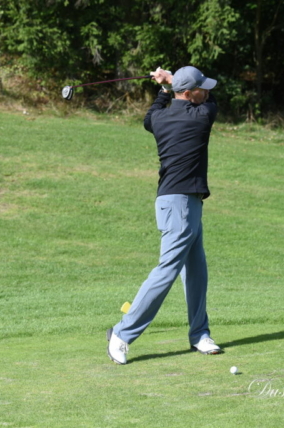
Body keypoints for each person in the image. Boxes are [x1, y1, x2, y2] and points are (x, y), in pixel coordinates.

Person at [107, 66, 222, 365]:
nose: (207, 92)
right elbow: (212, 103)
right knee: (167, 270)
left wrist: (164, 88)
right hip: (179, 205)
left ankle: (199, 334)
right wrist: (170, 82)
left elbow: (149, 117)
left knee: (196, 271)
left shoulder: (160, 118)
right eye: (201, 88)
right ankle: (122, 333)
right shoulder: (201, 117)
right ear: (189, 93)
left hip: (182, 202)